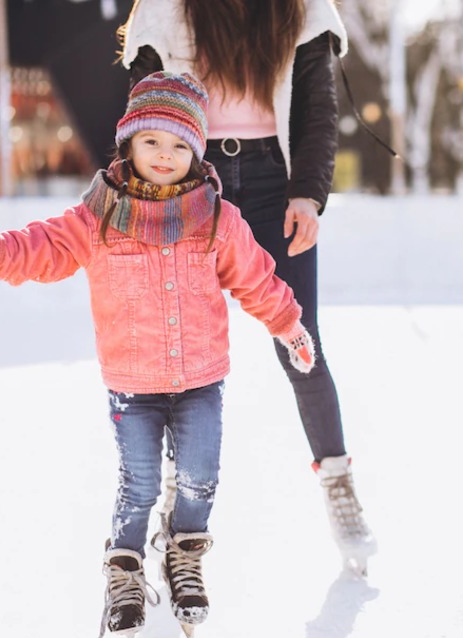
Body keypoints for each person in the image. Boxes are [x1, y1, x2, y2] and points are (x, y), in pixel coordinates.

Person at [0, 71, 316, 638]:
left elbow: (256, 280)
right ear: (128, 144)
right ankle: (123, 568)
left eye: (179, 145)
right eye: (152, 142)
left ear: (196, 152)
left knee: (199, 478)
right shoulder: (98, 217)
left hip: (200, 377)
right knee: (139, 483)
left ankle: (184, 553)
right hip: (132, 382)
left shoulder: (216, 217)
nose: (165, 156)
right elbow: (43, 247)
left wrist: (289, 323)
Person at [118, 0, 376, 575]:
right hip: (189, 176)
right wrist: (146, 188)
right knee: (173, 343)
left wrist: (308, 194)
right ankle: (169, 490)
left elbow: (317, 109)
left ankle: (336, 480)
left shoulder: (302, 9)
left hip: (273, 181)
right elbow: (145, 102)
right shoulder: (164, 7)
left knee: (300, 341)